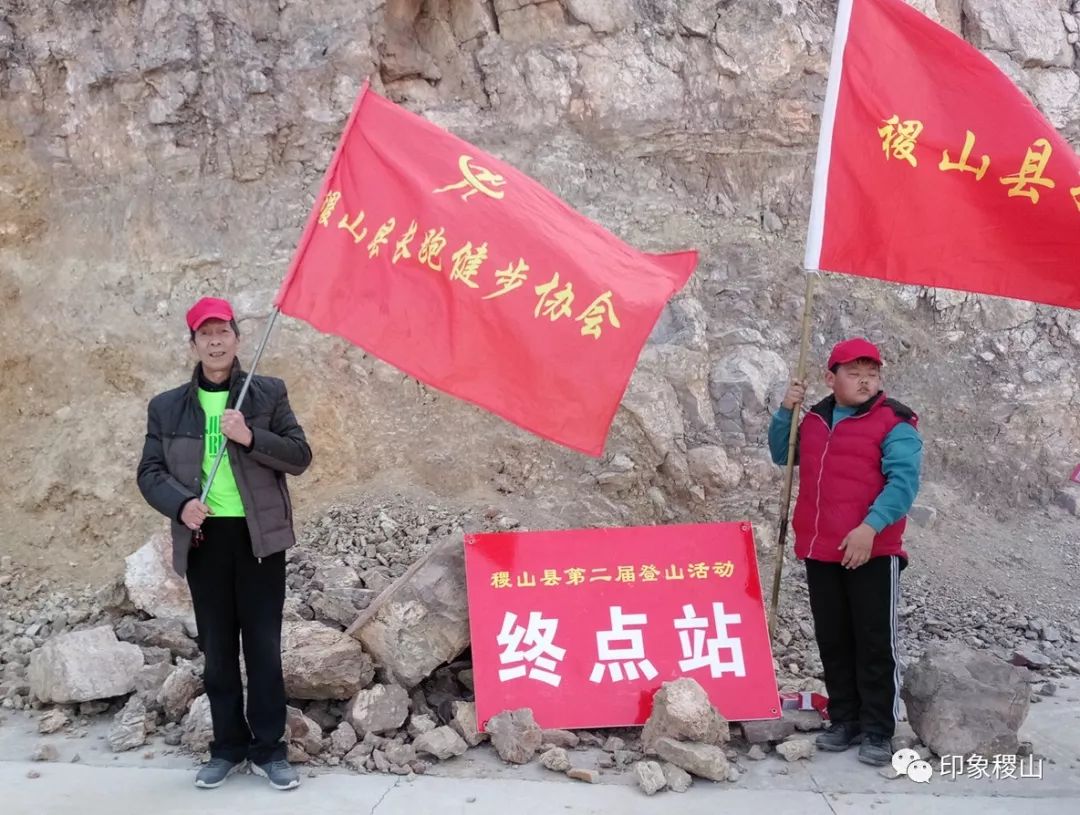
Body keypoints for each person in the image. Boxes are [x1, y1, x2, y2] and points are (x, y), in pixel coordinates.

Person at [137, 297, 312, 790]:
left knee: (262, 646)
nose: (215, 342)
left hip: (260, 539)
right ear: (193, 343)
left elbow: (299, 456)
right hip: (204, 538)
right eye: (204, 334)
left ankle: (270, 750)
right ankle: (227, 747)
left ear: (237, 338)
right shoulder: (167, 406)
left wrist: (251, 436)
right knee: (216, 649)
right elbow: (149, 472)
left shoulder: (267, 394)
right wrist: (180, 504)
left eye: (223, 332)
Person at [769, 337, 922, 767]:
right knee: (833, 639)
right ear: (830, 377)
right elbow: (783, 454)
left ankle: (877, 729)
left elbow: (904, 483)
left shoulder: (896, 422)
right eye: (854, 374)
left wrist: (869, 528)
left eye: (871, 375)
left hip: (873, 550)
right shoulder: (815, 418)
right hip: (821, 548)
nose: (864, 382)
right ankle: (844, 718)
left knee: (874, 641)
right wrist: (786, 410)